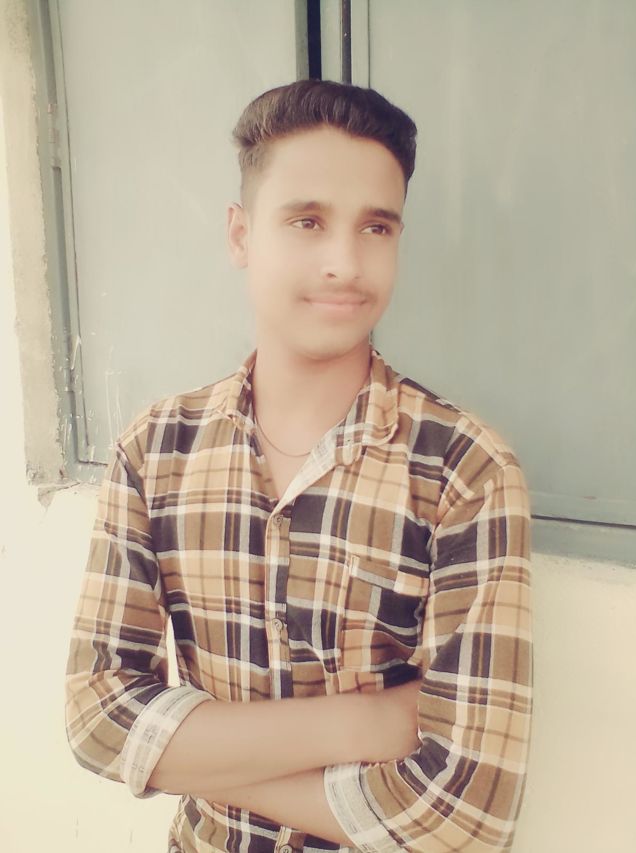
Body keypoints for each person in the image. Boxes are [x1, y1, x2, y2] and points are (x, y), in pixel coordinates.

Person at [65, 79, 533, 853]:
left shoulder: (464, 470)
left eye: (376, 227)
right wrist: (365, 721)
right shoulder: (156, 448)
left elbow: (467, 817)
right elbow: (96, 714)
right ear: (241, 235)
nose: (344, 262)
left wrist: (188, 757)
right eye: (307, 221)